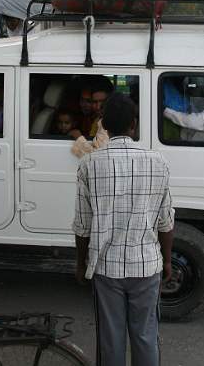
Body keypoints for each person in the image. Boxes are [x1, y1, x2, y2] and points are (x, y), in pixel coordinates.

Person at [73, 93, 174, 366]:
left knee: (111, 338)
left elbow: (83, 226)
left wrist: (81, 264)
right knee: (145, 335)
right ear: (134, 125)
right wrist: (166, 260)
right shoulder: (158, 162)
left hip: (107, 268)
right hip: (146, 266)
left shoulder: (89, 164)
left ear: (104, 124)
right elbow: (166, 221)